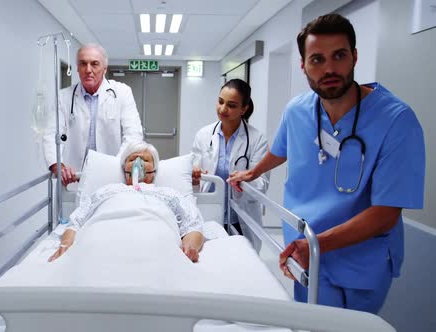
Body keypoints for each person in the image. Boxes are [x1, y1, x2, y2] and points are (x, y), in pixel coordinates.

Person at [228, 13, 425, 313]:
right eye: (317, 59)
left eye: (339, 55)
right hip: (305, 253)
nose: (329, 68)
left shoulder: (396, 121)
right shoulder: (297, 111)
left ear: (354, 57)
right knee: (310, 322)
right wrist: (254, 171)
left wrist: (315, 245)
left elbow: (385, 213)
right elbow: (283, 149)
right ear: (303, 65)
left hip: (359, 261)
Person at [49, 141, 205, 262]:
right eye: (132, 159)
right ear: (124, 168)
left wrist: (190, 247)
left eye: (144, 159)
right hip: (102, 240)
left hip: (155, 241)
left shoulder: (169, 194)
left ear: (154, 170)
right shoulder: (106, 191)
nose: (138, 162)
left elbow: (193, 225)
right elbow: (76, 222)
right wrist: (66, 244)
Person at [42, 43, 143, 185]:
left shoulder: (122, 92)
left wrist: (116, 164)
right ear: (77, 67)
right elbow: (51, 134)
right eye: (83, 64)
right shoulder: (63, 97)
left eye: (94, 64)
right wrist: (58, 166)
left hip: (112, 177)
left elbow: (134, 135)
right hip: (74, 178)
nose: (88, 69)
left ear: (104, 68)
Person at [191, 79, 269, 251]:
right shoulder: (204, 135)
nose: (223, 109)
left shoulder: (257, 140)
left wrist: (244, 180)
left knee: (241, 270)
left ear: (244, 109)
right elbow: (195, 180)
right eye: (220, 102)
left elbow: (262, 184)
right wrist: (195, 177)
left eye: (231, 105)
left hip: (241, 218)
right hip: (209, 216)